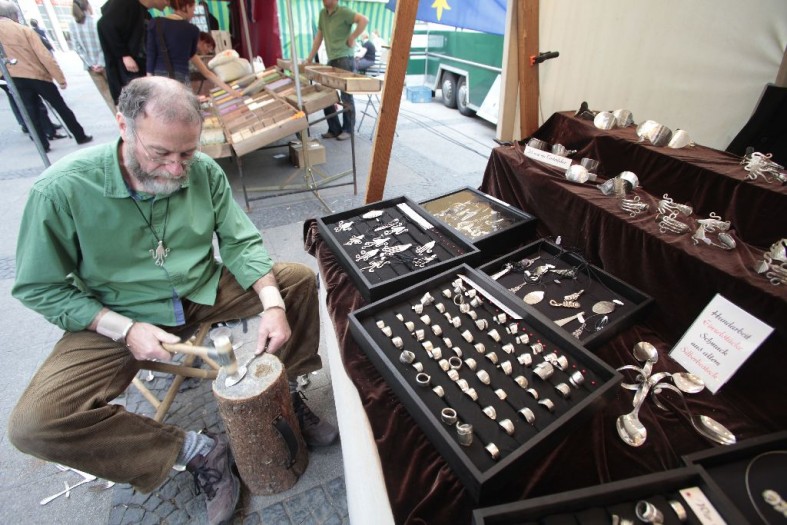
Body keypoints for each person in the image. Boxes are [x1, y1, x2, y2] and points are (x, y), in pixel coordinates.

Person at [8, 76, 338, 525]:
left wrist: (273, 305)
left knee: (294, 282)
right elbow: (39, 287)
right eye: (160, 153)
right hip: (115, 312)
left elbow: (240, 242)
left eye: (187, 153)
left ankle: (286, 392)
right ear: (123, 126)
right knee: (35, 425)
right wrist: (124, 328)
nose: (177, 169)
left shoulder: (204, 171)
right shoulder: (61, 190)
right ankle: (194, 450)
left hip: (200, 289)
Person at [0, 1, 92, 152]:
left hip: (15, 77)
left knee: (31, 112)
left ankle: (42, 144)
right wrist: (59, 78)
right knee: (60, 106)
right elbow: (44, 55)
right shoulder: (23, 30)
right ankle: (79, 135)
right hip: (37, 75)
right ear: (12, 15)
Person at [305, 0, 367, 141]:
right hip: (332, 59)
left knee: (346, 96)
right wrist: (309, 58)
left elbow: (364, 20)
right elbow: (319, 37)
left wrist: (353, 37)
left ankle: (348, 130)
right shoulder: (323, 14)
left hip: (345, 58)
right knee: (325, 95)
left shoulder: (344, 11)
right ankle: (334, 129)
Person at [146, 0, 238, 95]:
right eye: (193, 10)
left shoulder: (155, 23)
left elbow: (151, 55)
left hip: (159, 81)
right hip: (181, 82)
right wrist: (231, 91)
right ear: (186, 7)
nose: (193, 14)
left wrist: (149, 84)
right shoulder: (192, 30)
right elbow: (206, 72)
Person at [98, 0, 169, 105]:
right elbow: (104, 24)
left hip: (141, 74)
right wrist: (124, 55)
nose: (168, 3)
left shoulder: (145, 14)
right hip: (126, 75)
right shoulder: (127, 3)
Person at [69, 0, 115, 113]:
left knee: (107, 97)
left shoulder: (72, 24)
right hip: (106, 64)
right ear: (87, 5)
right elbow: (104, 44)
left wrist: (91, 64)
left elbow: (77, 47)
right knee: (118, 93)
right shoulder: (97, 21)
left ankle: (119, 119)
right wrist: (100, 63)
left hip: (91, 68)